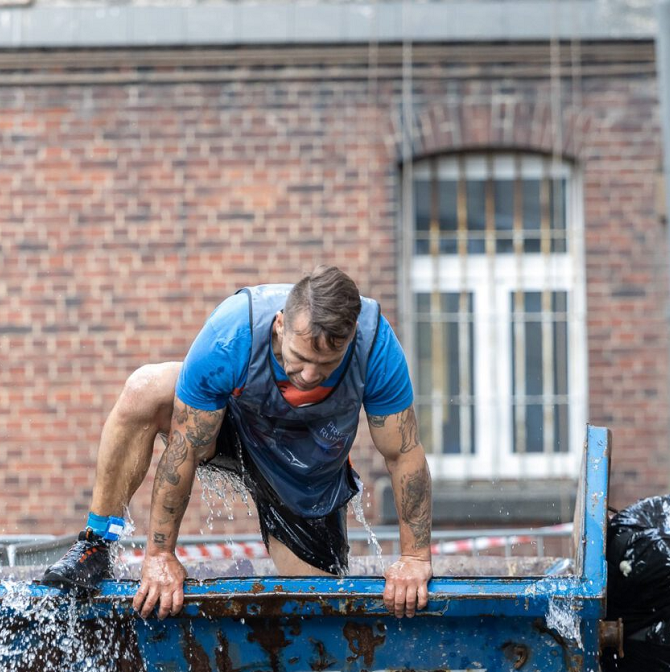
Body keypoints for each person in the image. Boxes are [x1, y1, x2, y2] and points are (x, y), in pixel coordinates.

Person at [42, 265, 432, 619]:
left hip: (307, 477)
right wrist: (159, 555)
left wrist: (415, 557)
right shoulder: (231, 335)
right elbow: (185, 447)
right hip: (233, 431)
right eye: (299, 358)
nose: (310, 376)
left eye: (326, 365)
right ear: (280, 324)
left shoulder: (375, 347)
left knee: (321, 618)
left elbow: (403, 455)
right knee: (147, 388)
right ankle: (96, 543)